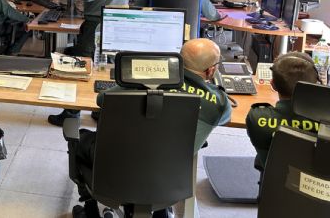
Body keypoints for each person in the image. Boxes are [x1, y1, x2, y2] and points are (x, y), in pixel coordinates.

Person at [69, 38, 231, 218]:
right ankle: (159, 210)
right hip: (168, 180)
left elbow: (102, 100)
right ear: (211, 70)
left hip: (117, 170)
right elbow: (226, 116)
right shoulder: (219, 104)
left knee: (81, 138)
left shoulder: (148, 77)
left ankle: (90, 209)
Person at [50, 0, 134, 126]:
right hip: (118, 23)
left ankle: (71, 114)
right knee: (108, 70)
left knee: (81, 68)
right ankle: (101, 110)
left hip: (95, 22)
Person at [246, 52, 320, 169]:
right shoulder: (325, 121)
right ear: (315, 84)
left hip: (274, 183)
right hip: (319, 185)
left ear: (273, 85)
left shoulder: (256, 117)